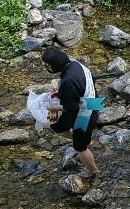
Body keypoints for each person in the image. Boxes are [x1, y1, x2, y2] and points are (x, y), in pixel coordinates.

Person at [42, 48, 100, 179]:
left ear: (55, 64)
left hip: (86, 112)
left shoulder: (69, 81)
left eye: (47, 65)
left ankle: (93, 171)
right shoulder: (76, 64)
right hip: (92, 100)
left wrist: (52, 107)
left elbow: (70, 107)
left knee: (80, 148)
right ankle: (86, 140)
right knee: (57, 126)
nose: (46, 67)